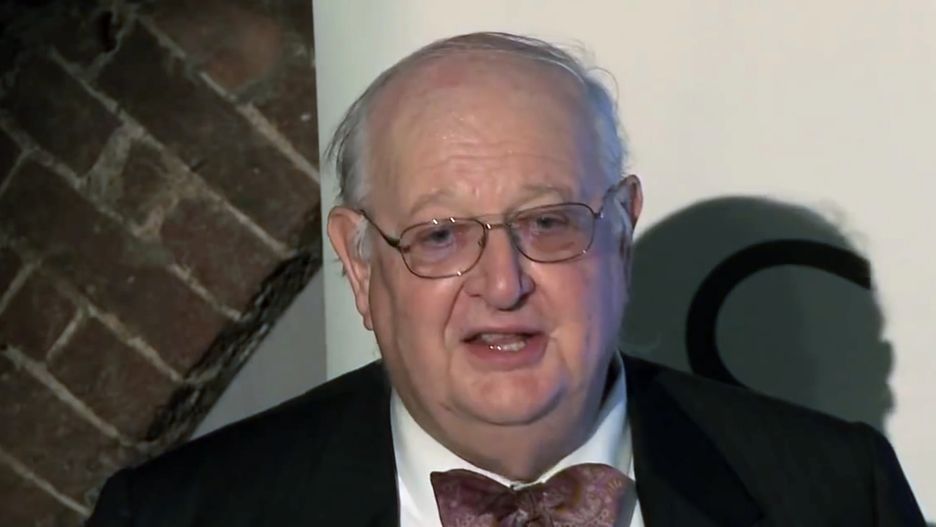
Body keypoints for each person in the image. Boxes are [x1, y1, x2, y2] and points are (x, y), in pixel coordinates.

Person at [88, 32, 925, 527]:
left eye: (547, 222)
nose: (502, 283)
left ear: (621, 234)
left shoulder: (835, 496)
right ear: (360, 263)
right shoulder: (181, 516)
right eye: (440, 234)